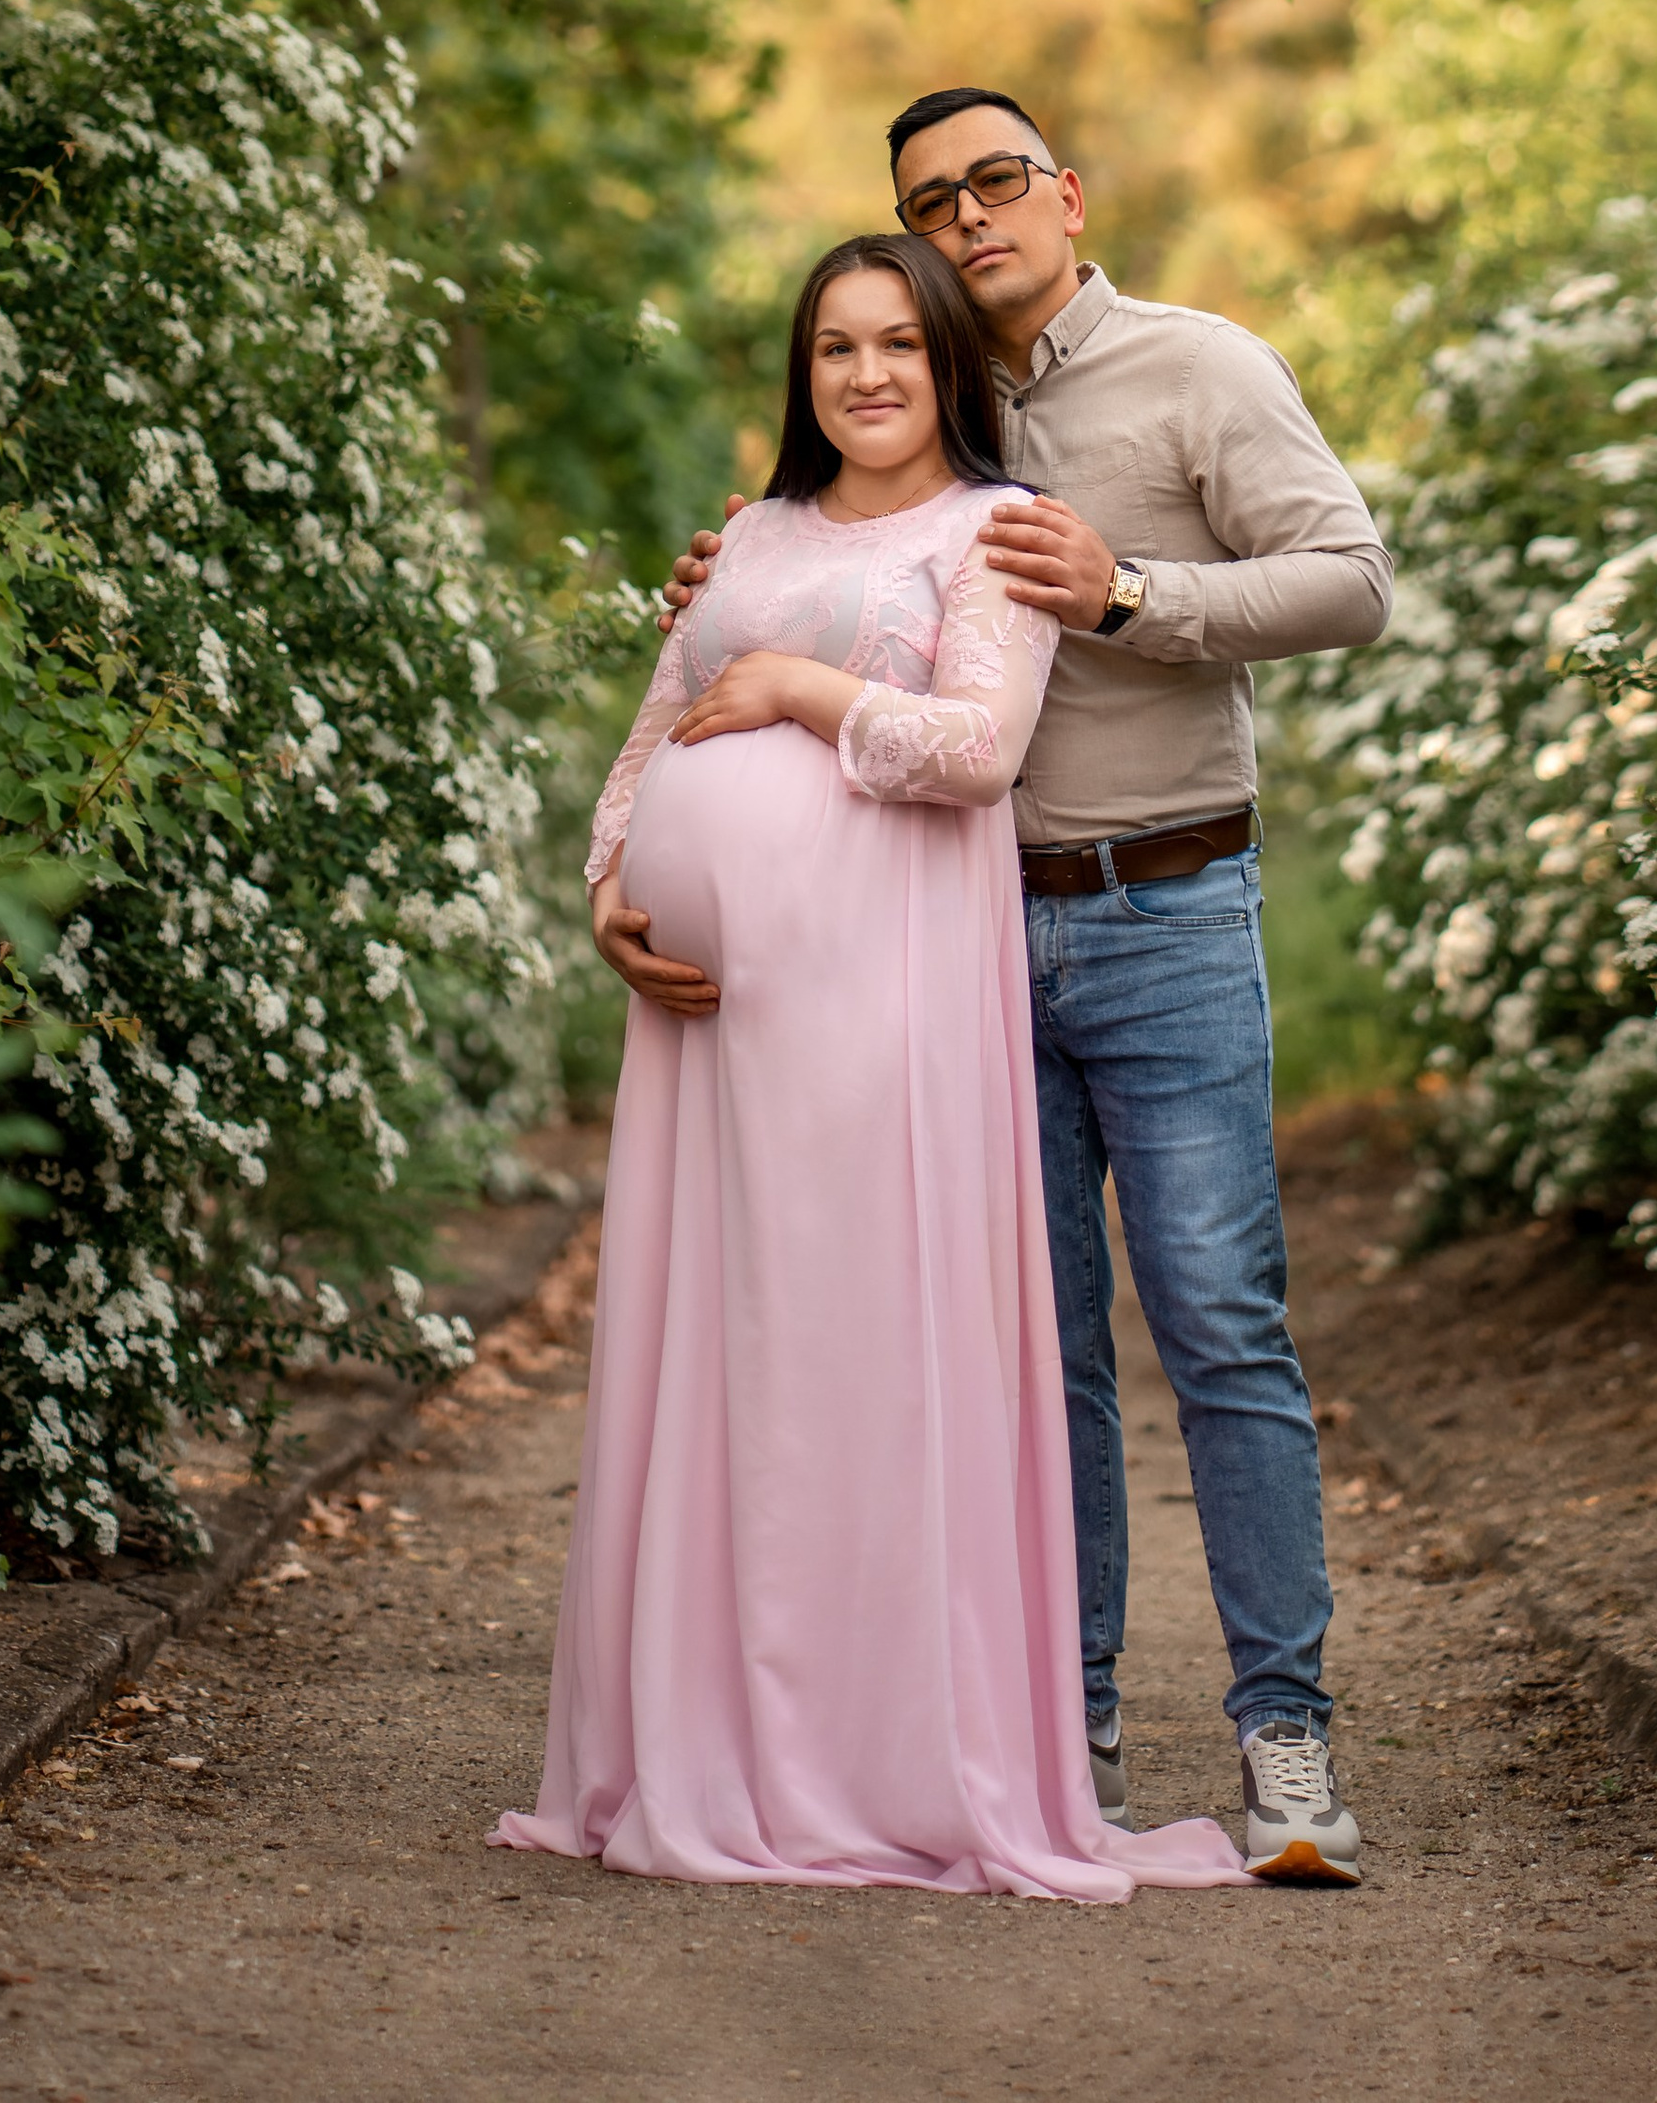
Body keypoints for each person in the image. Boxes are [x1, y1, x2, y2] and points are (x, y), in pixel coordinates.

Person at [656, 93, 1391, 1886]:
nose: (971, 215)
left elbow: (1353, 581)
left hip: (1165, 905)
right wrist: (745, 579)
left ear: (1064, 192)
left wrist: (1130, 589)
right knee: (1025, 1351)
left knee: (1217, 1318)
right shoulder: (910, 396)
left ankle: (1286, 1739)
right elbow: (823, 614)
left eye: (997, 181)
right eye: (931, 199)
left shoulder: (1199, 366)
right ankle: (1064, 1734)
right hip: (954, 932)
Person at [493, 232, 1242, 1899]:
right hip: (709, 1028)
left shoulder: (994, 531)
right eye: (835, 346)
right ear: (803, 372)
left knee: (856, 1348)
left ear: (946, 361)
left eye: (899, 341)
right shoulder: (749, 531)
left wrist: (793, 686)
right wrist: (611, 888)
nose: (867, 372)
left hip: (878, 1006)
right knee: (728, 1351)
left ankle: (870, 1750)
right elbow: (651, 734)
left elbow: (977, 750)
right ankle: (714, 1738)